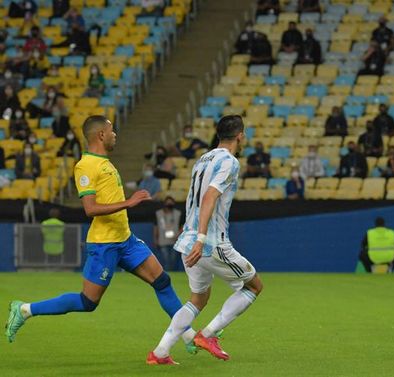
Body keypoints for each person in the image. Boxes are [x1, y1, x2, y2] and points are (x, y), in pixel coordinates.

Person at [6, 115, 200, 355]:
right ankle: (24, 310)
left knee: (162, 281)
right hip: (104, 244)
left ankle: (189, 335)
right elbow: (90, 209)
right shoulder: (85, 166)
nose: (115, 134)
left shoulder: (106, 162)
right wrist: (128, 202)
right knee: (88, 302)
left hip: (125, 240)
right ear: (100, 135)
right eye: (111, 130)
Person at [147, 115, 262, 364]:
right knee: (254, 286)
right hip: (210, 242)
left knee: (198, 299)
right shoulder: (230, 162)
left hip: (187, 241)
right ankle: (208, 335)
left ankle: (160, 352)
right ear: (240, 135)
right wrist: (201, 239)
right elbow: (209, 196)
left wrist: (193, 237)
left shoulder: (203, 159)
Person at [153, 196, 182, 271]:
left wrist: (178, 235)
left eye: (171, 203)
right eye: (168, 203)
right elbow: (156, 227)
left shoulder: (178, 213)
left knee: (173, 260)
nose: (169, 204)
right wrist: (155, 239)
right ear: (164, 204)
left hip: (175, 240)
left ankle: (174, 275)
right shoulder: (158, 214)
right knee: (166, 260)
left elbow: (183, 226)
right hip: (163, 240)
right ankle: (168, 275)